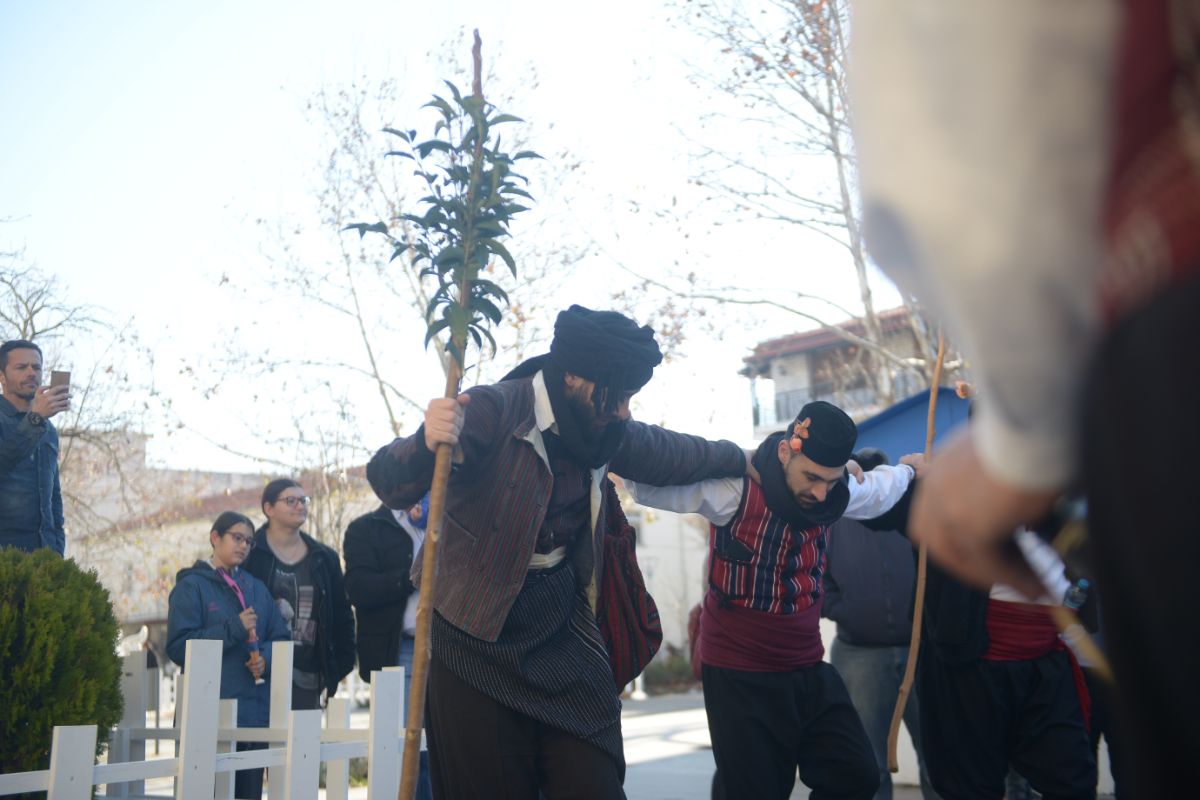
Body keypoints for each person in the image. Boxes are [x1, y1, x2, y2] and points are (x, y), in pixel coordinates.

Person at [850, 3, 1199, 795]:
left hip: (1170, 330)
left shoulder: (1043, 457)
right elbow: (867, 498)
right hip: (977, 667)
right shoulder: (922, 479)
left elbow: (965, 128)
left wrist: (1026, 435)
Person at [366, 305, 749, 800]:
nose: (624, 410)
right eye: (616, 395)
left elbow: (669, 452)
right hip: (471, 628)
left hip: (561, 624)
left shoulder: (602, 428)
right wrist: (424, 441)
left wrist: (746, 458)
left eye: (630, 398)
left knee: (593, 781)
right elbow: (389, 481)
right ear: (572, 376)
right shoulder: (491, 409)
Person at [626, 401, 920, 800]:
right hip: (740, 672)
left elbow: (882, 490)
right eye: (812, 477)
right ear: (785, 451)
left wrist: (912, 471)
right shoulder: (732, 490)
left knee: (855, 776)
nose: (820, 492)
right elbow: (647, 483)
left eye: (831, 480)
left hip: (805, 665)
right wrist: (728, 457)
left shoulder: (833, 494)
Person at [821, 449, 939, 800]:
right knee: (866, 763)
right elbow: (816, 576)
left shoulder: (914, 513)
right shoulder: (834, 517)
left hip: (921, 651)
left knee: (938, 757)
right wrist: (843, 608)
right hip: (858, 654)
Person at [166, 511, 290, 800]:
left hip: (253, 716)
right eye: (237, 538)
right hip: (207, 719)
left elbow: (281, 637)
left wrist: (265, 659)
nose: (243, 546)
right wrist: (234, 628)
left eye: (249, 541)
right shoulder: (191, 587)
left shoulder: (256, 588)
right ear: (215, 538)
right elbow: (179, 647)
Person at [342, 495, 432, 800]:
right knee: (407, 751)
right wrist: (412, 577)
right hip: (401, 650)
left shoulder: (447, 521)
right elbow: (359, 588)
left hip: (451, 649)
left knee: (448, 750)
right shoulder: (366, 528)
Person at [243, 479, 355, 710]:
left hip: (308, 675)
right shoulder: (250, 554)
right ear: (268, 508)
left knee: (303, 734)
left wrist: (339, 665)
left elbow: (342, 615)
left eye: (303, 500)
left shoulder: (324, 558)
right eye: (291, 500)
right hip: (257, 672)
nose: (300, 506)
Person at [0, 339, 69, 554]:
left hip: (43, 556)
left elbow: (53, 498)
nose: (31, 373)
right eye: (21, 367)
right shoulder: (37, 422)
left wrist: (56, 550)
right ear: (2, 376)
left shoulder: (48, 430)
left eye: (36, 367)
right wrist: (36, 419)